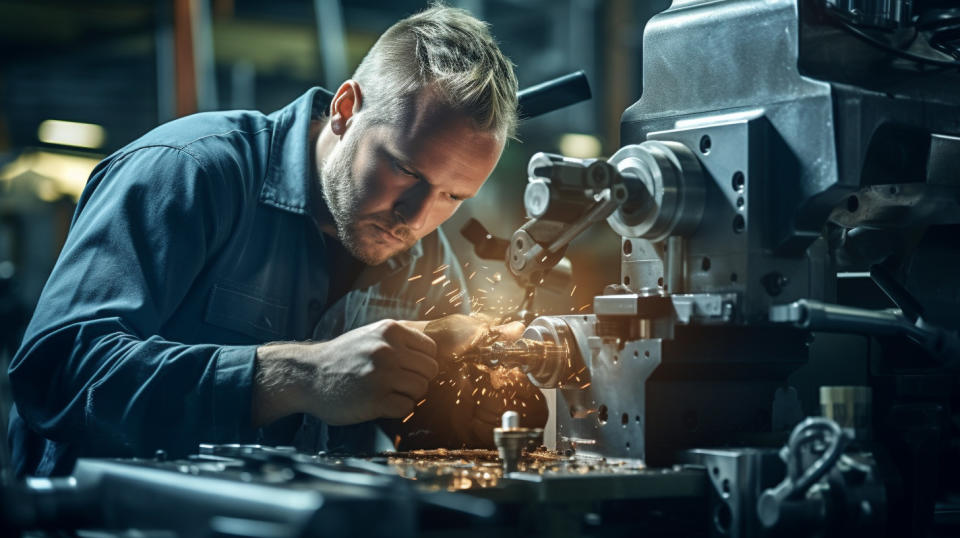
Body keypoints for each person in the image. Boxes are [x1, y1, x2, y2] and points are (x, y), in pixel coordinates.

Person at [7, 4, 544, 478]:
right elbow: (55, 374)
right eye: (406, 170)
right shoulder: (188, 173)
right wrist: (294, 376)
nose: (417, 217)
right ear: (346, 109)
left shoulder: (428, 258)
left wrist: (463, 412)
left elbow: (418, 435)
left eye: (454, 197)